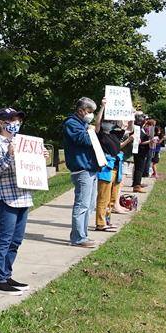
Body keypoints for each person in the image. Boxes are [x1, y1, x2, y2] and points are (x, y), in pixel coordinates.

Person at [0, 108, 33, 293]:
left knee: (16, 240)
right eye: (11, 120)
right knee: (3, 240)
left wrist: (39, 159)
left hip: (22, 197)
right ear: (1, 123)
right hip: (5, 198)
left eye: (18, 119)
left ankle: (6, 274)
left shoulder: (22, 142)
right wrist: (9, 155)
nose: (16, 123)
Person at [62, 96, 102, 248]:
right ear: (81, 111)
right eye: (89, 111)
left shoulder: (83, 124)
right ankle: (78, 237)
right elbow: (85, 140)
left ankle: (83, 235)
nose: (90, 114)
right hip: (81, 169)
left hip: (90, 167)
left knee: (90, 205)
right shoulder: (71, 124)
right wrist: (90, 132)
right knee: (82, 205)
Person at [94, 105, 133, 232]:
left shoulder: (115, 133)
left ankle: (107, 220)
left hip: (116, 166)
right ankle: (100, 223)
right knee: (103, 197)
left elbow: (129, 128)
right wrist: (103, 107)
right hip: (106, 167)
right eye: (108, 122)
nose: (109, 124)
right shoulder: (100, 134)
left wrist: (130, 114)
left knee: (112, 198)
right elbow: (97, 122)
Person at [130, 113, 152, 193]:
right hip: (139, 151)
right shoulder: (137, 129)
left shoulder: (141, 128)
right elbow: (138, 142)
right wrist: (150, 141)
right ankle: (136, 186)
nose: (146, 121)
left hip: (142, 151)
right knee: (139, 168)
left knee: (139, 168)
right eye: (145, 119)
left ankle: (137, 182)